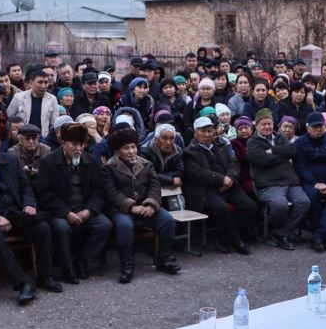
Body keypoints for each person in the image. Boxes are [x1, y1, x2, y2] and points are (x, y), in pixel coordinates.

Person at [0, 125, 60, 297]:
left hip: (14, 212)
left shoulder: (10, 160)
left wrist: (29, 204)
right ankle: (22, 284)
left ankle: (45, 276)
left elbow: (25, 187)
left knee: (42, 227)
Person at [33, 122, 112, 281]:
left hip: (85, 210)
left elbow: (99, 190)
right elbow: (44, 193)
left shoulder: (91, 161)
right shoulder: (48, 162)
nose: (79, 148)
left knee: (105, 225)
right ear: (63, 143)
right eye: (74, 144)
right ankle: (66, 268)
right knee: (61, 228)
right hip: (60, 212)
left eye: (82, 144)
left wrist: (90, 209)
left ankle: (82, 259)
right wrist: (66, 213)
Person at [101, 128, 180, 281]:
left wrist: (151, 205)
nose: (131, 151)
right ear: (117, 151)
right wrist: (131, 206)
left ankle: (163, 260)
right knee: (125, 226)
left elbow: (155, 187)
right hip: (121, 209)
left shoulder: (146, 164)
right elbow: (111, 193)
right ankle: (127, 266)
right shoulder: (108, 168)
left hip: (145, 205)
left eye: (133, 147)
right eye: (126, 148)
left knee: (167, 220)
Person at [182, 115, 255, 254]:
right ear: (195, 133)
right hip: (205, 190)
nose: (207, 134)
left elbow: (234, 163)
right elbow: (197, 173)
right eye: (203, 131)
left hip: (228, 185)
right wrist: (222, 179)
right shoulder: (190, 151)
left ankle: (225, 238)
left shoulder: (221, 145)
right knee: (221, 208)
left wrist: (230, 179)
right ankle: (237, 242)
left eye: (209, 131)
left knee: (249, 206)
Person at [248, 108, 310, 250]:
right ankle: (278, 232)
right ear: (257, 126)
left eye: (269, 124)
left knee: (304, 202)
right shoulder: (253, 142)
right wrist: (283, 155)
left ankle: (281, 233)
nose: (267, 127)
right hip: (269, 183)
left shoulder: (279, 137)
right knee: (280, 205)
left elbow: (293, 151)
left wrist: (273, 151)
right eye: (263, 124)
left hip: (290, 181)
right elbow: (262, 160)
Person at [293, 111, 326, 251]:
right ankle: (322, 235)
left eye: (320, 126)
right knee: (312, 197)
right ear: (307, 128)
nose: (318, 129)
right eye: (314, 127)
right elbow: (300, 167)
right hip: (310, 182)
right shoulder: (300, 142)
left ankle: (319, 236)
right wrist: (315, 183)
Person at [7, 67, 62, 137]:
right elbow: (9, 118)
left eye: (46, 82)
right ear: (31, 83)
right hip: (21, 137)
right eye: (40, 82)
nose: (43, 86)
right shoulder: (19, 97)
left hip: (43, 138)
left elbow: (54, 124)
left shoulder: (52, 99)